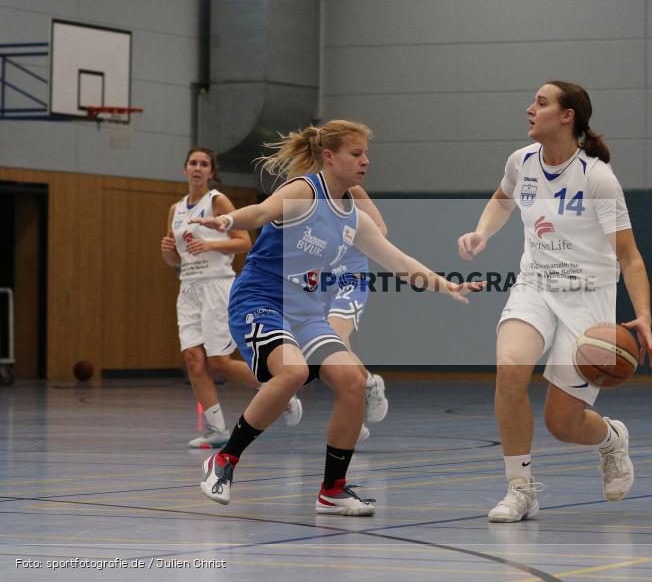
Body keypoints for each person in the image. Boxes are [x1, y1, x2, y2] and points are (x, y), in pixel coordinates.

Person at [191, 120, 483, 516]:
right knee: (291, 373)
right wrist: (227, 221)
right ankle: (223, 461)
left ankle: (333, 489)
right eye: (356, 153)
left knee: (353, 381)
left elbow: (397, 261)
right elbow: (260, 212)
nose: (365, 161)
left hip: (307, 311)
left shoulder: (353, 218)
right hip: (261, 299)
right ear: (329, 157)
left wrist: (446, 285)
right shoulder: (305, 191)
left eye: (366, 154)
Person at [457, 80, 652, 523]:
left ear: (567, 116)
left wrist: (642, 315)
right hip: (535, 285)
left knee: (562, 424)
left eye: (541, 103)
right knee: (509, 370)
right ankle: (520, 488)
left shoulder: (597, 177)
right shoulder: (521, 162)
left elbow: (630, 256)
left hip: (588, 296)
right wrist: (481, 233)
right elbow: (501, 199)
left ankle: (610, 439)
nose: (530, 108)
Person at [161, 147, 303, 449]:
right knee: (193, 360)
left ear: (212, 172)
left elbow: (243, 242)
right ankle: (216, 429)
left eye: (204, 164)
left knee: (219, 362)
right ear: (184, 168)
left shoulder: (217, 201)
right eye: (193, 163)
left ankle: (279, 390)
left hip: (217, 285)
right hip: (188, 288)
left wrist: (210, 247)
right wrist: (167, 253)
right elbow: (176, 259)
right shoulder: (176, 210)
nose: (197, 168)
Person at [324, 185, 390, 443]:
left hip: (351, 276)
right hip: (320, 279)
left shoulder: (353, 191)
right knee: (320, 352)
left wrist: (346, 235)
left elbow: (381, 231)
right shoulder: (304, 189)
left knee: (334, 336)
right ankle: (362, 397)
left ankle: (366, 393)